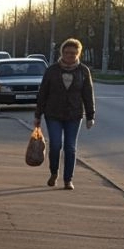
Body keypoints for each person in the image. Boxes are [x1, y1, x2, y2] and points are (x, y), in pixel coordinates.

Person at [34, 38, 95, 190]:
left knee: (70, 147)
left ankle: (68, 180)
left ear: (78, 54)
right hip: (53, 114)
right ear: (62, 53)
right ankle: (54, 173)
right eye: (67, 52)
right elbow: (43, 93)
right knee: (55, 145)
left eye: (73, 53)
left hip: (74, 115)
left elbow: (88, 94)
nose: (70, 56)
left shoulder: (83, 71)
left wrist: (90, 116)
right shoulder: (52, 70)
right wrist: (37, 115)